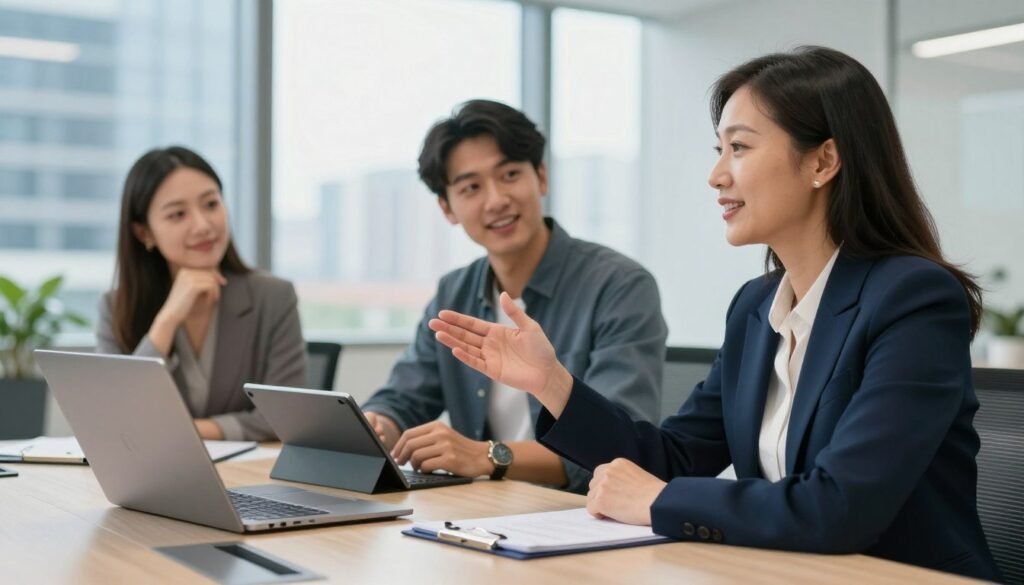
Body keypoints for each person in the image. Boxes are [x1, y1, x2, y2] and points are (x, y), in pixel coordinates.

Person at [428, 47, 999, 580]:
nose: (717, 175)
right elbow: (674, 456)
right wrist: (551, 384)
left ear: (824, 160)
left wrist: (656, 501)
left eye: (740, 147)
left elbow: (839, 505)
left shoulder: (914, 300)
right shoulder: (756, 307)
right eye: (718, 150)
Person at [361, 99, 667, 493]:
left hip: (581, 515)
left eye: (509, 175)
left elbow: (617, 446)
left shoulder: (619, 285)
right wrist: (377, 424)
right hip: (488, 514)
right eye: (471, 187)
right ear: (447, 208)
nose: (496, 200)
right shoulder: (454, 292)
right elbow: (404, 397)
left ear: (540, 177)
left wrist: (487, 456)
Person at [95, 146, 306, 442]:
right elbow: (115, 418)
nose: (203, 225)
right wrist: (166, 321)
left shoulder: (273, 297)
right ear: (145, 233)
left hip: (246, 476)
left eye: (210, 204)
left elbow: (287, 416)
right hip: (153, 477)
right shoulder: (115, 307)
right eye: (178, 214)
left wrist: (186, 431)